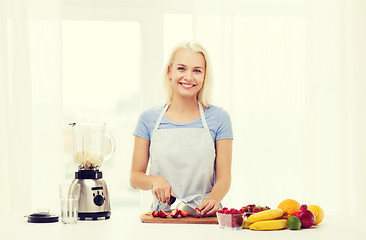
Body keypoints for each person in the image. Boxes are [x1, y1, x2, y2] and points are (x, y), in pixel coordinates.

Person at [130, 41, 233, 217]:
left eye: (197, 70)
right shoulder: (148, 119)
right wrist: (156, 180)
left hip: (205, 217)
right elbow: (135, 178)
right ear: (170, 72)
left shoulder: (219, 118)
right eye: (182, 68)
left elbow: (224, 178)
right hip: (163, 218)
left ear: (204, 76)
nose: (189, 77)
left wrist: (213, 200)